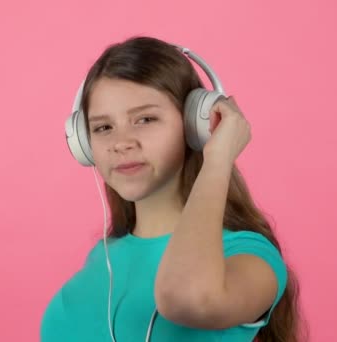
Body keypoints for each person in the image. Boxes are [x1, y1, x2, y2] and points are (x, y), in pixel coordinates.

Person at [41, 36, 305, 342]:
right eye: (103, 127)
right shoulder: (104, 258)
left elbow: (189, 298)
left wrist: (217, 159)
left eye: (145, 119)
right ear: (83, 143)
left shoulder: (250, 256)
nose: (121, 142)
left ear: (196, 127)